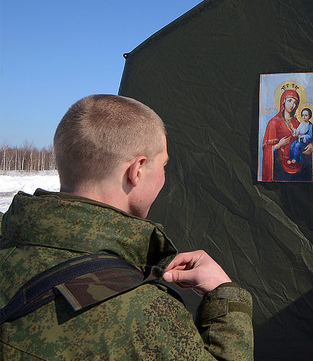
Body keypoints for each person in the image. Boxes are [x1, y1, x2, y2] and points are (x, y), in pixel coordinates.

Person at [0, 94, 253, 360]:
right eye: (164, 165)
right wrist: (224, 296)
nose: (164, 176)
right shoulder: (147, 316)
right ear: (137, 170)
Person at [261, 89, 313, 181]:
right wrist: (278, 145)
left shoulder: (298, 122)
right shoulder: (274, 122)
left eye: (295, 102)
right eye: (289, 101)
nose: (292, 105)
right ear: (283, 102)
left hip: (299, 165)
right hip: (279, 166)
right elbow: (266, 150)